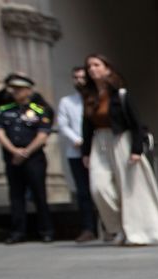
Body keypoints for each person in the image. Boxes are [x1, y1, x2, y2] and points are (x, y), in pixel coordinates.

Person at [81, 54, 158, 246]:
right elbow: (86, 126)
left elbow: (136, 123)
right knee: (99, 188)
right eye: (89, 66)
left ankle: (134, 231)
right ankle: (118, 227)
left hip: (121, 140)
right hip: (99, 142)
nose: (92, 69)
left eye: (96, 65)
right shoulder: (89, 97)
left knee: (129, 189)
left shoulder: (121, 95)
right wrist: (86, 152)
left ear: (107, 69)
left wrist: (136, 150)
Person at [0, 73, 54, 244]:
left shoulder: (39, 110)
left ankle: (46, 230)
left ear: (29, 91)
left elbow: (43, 135)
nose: (15, 92)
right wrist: (14, 151)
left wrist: (26, 152)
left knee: (39, 195)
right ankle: (17, 232)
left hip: (34, 158)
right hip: (12, 158)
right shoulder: (5, 110)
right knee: (16, 196)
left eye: (19, 89)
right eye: (13, 89)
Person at [58, 66, 98, 243]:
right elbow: (63, 125)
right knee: (83, 192)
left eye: (82, 77)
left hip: (98, 151)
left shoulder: (97, 99)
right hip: (76, 152)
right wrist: (78, 141)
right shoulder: (67, 102)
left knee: (101, 190)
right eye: (76, 77)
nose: (79, 80)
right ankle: (88, 228)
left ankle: (108, 226)